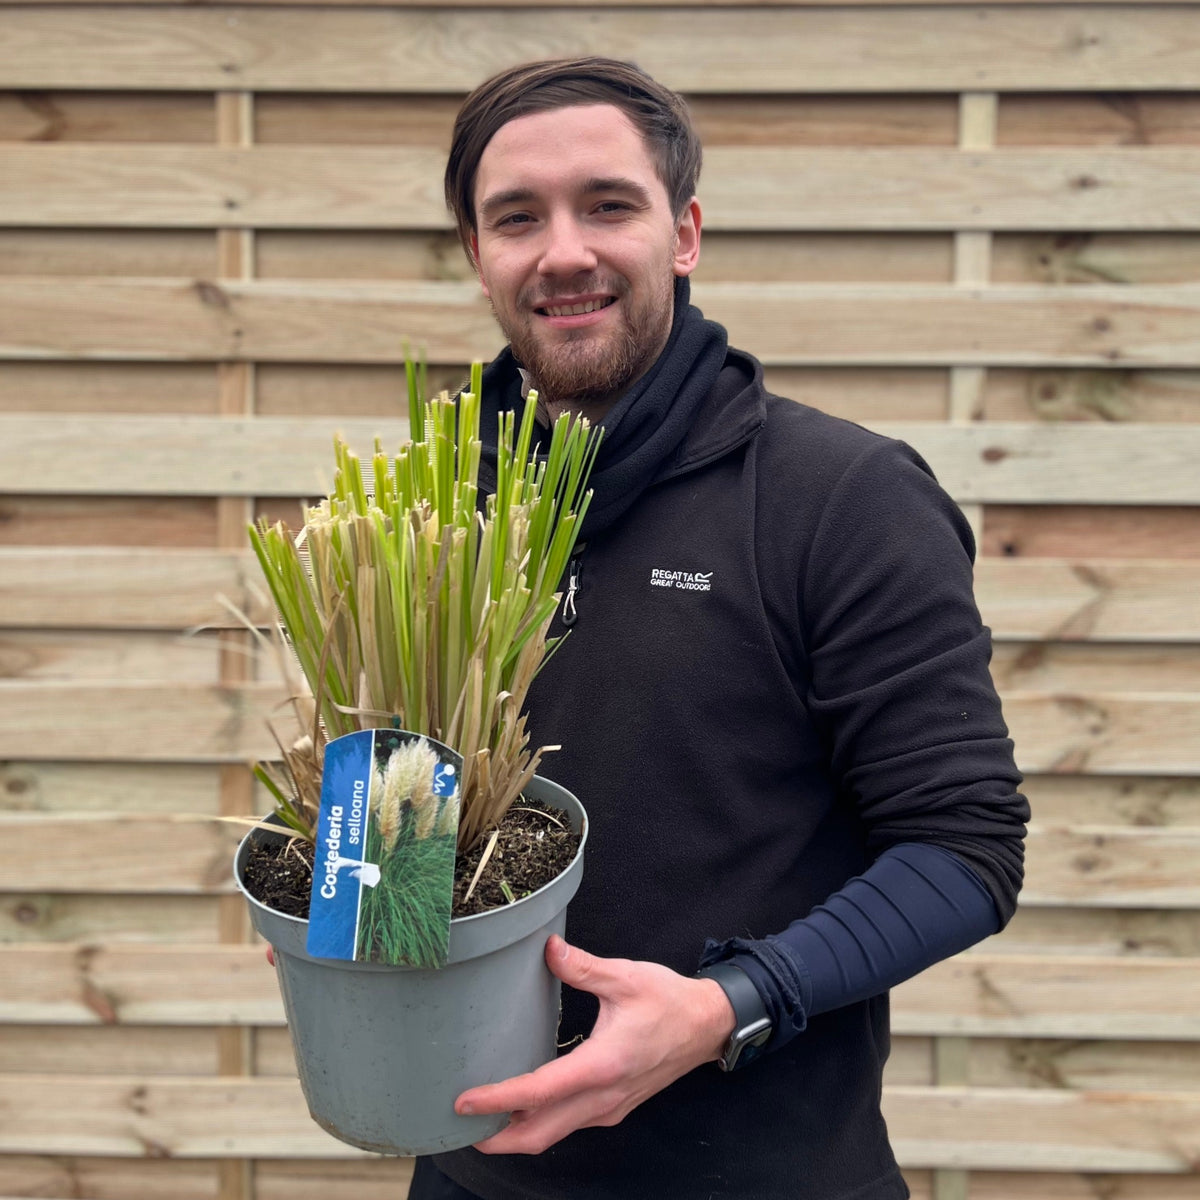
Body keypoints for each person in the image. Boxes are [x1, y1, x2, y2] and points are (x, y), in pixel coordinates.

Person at [409, 57, 1029, 1200]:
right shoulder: (440, 504)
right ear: (477, 254)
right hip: (467, 1176)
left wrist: (725, 1007)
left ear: (683, 233)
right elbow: (414, 791)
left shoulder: (839, 497)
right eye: (517, 218)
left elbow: (966, 847)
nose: (565, 251)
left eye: (609, 204)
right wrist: (347, 916)